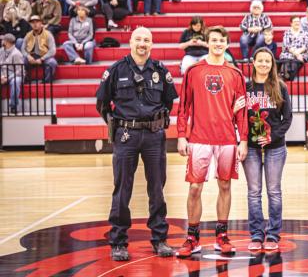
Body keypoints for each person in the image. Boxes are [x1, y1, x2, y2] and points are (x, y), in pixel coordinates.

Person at [95, 26, 178, 261]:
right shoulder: (115, 70)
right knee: (122, 189)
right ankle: (118, 242)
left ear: (152, 44)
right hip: (126, 136)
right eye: (139, 39)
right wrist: (119, 124)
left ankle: (160, 240)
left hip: (154, 136)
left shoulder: (161, 71)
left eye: (147, 40)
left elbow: (168, 103)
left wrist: (156, 123)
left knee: (157, 189)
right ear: (130, 42)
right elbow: (102, 103)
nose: (143, 44)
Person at [175, 26, 248, 257]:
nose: (218, 44)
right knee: (195, 188)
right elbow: (183, 106)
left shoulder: (235, 74)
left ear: (227, 44)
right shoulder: (193, 71)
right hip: (199, 138)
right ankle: (192, 237)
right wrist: (180, 136)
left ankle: (222, 235)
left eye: (222, 40)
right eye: (214, 40)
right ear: (208, 43)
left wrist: (243, 140)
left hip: (227, 139)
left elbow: (242, 112)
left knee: (225, 185)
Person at [237, 47, 293, 251]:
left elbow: (287, 119)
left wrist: (272, 136)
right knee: (254, 192)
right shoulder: (245, 87)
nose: (263, 64)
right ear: (253, 62)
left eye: (267, 61)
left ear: (272, 64)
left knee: (274, 191)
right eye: (260, 61)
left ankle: (273, 234)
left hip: (275, 147)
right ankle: (256, 235)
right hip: (250, 147)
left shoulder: (280, 86)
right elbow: (238, 116)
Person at [21, 15, 57, 83]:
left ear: (41, 23)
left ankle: (46, 82)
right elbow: (23, 49)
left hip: (44, 56)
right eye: (32, 22)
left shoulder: (48, 34)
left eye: (37, 22)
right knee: (21, 61)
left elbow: (53, 51)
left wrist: (42, 59)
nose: (35, 24)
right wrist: (28, 56)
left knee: (52, 62)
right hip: (31, 56)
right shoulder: (28, 35)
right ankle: (25, 79)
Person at [0, 33, 25, 114]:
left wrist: (7, 78)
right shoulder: (1, 50)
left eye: (3, 40)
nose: (1, 41)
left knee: (15, 82)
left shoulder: (17, 53)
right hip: (3, 72)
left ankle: (13, 106)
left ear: (7, 42)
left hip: (15, 73)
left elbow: (19, 70)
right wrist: (2, 76)